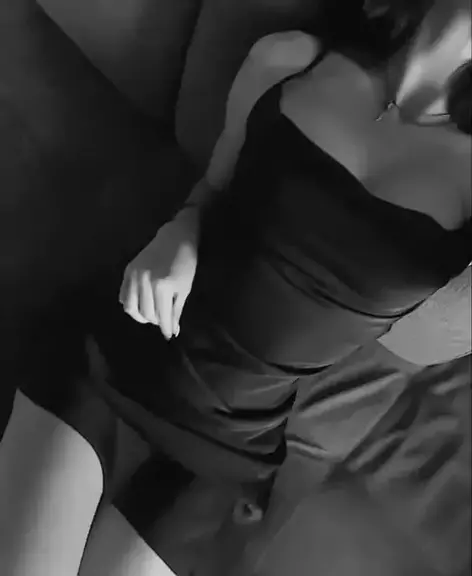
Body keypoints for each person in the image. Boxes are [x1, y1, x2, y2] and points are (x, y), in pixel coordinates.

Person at [1, 1, 471, 575]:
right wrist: (179, 230)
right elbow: (214, 186)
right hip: (117, 359)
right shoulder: (291, 58)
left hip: (230, 452)